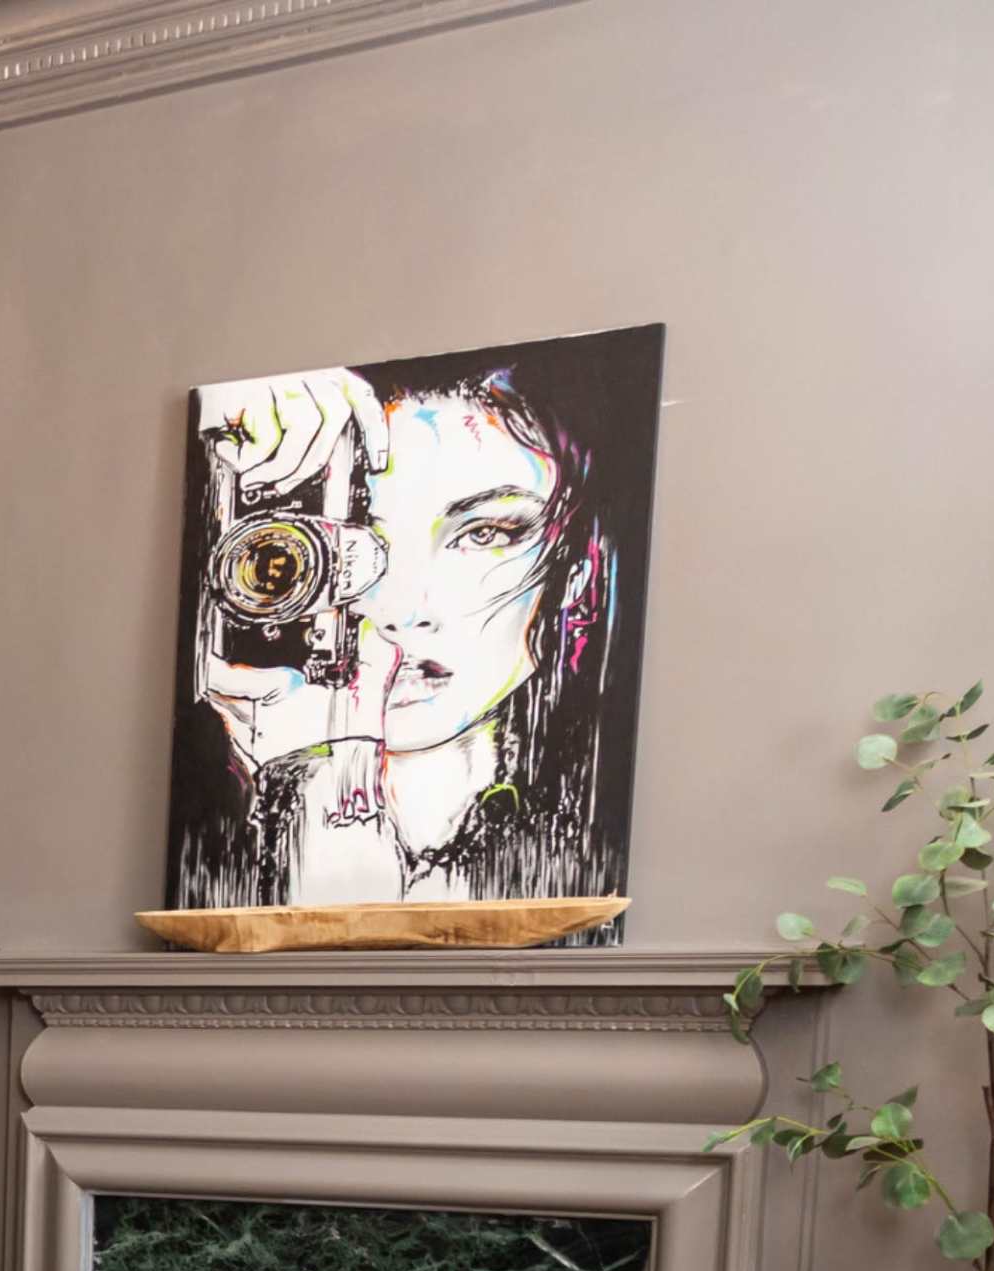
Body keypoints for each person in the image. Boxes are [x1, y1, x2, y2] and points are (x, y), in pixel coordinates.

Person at [167, 330, 657, 914]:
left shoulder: (584, 849)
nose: (402, 611)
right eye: (363, 539)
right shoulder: (220, 812)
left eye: (482, 535)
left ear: (580, 572)